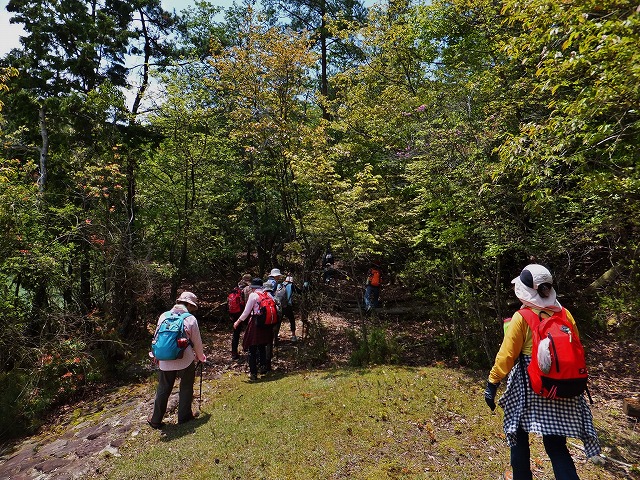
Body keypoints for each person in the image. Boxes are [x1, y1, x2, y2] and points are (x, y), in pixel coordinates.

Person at [484, 264, 601, 480]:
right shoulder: (565, 314)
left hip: (530, 384)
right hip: (562, 385)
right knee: (557, 447)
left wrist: (492, 383)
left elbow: (507, 355)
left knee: (519, 436)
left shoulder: (522, 317)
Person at [148, 291, 206, 428]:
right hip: (184, 359)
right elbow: (197, 341)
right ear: (188, 305)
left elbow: (156, 338)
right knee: (186, 387)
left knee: (163, 388)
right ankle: (184, 417)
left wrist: (155, 355)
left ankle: (156, 419)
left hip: (164, 359)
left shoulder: (164, 316)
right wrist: (200, 357)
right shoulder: (190, 319)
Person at [233, 278, 273, 381]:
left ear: (253, 287)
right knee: (262, 346)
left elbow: (246, 312)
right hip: (265, 324)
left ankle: (253, 373)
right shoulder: (267, 295)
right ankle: (263, 369)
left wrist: (238, 322)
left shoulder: (253, 295)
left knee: (252, 347)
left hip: (255, 323)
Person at [230, 275, 251, 360]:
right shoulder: (248, 289)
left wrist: (230, 315)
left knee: (236, 334)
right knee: (249, 331)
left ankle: (234, 353)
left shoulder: (235, 289)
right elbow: (248, 303)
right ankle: (247, 348)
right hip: (244, 313)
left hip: (235, 314)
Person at [281, 276, 301, 341]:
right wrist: (305, 286)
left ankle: (274, 338)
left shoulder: (280, 285)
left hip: (279, 305)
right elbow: (300, 292)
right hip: (287, 306)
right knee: (292, 320)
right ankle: (293, 336)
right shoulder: (292, 285)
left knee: (278, 321)